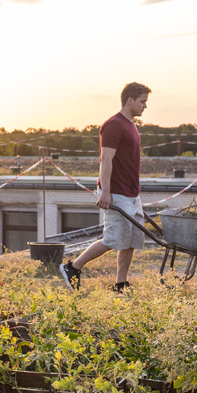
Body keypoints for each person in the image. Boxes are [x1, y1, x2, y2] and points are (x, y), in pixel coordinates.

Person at [59, 82, 151, 292]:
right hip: (116, 192)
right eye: (142, 101)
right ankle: (72, 267)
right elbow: (106, 159)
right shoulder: (114, 125)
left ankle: (120, 283)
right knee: (113, 239)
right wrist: (107, 192)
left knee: (131, 240)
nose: (145, 106)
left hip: (131, 193)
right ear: (130, 100)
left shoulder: (131, 125)